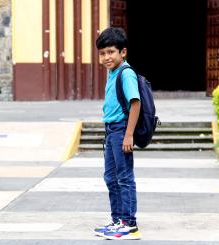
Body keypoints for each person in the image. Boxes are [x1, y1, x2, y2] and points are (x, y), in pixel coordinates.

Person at [93, 27, 142, 240]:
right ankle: (118, 221)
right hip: (111, 130)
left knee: (124, 177)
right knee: (111, 177)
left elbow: (135, 103)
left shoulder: (126, 73)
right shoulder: (112, 73)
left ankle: (130, 224)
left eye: (111, 52)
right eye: (102, 53)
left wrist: (128, 134)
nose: (106, 57)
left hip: (122, 129)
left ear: (123, 52)